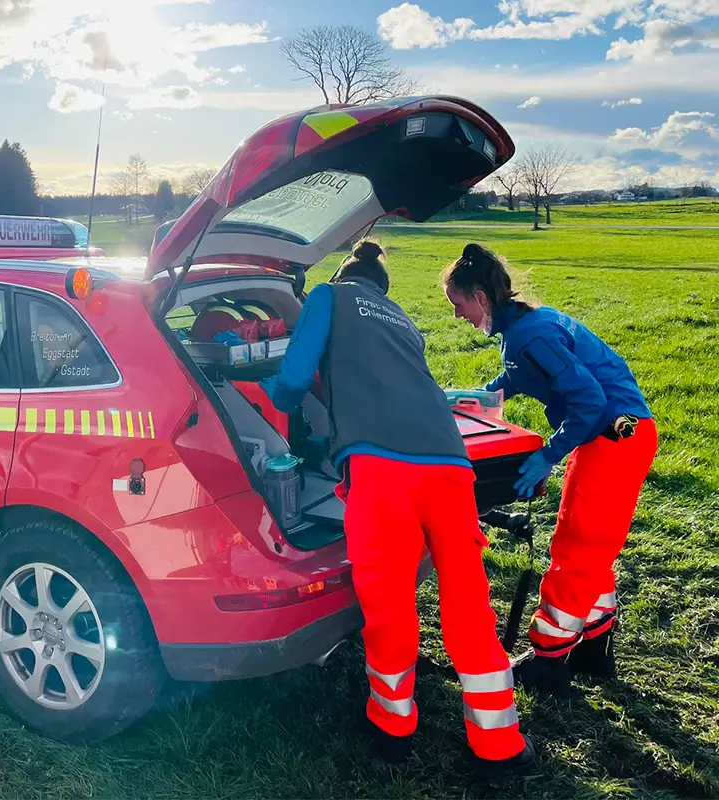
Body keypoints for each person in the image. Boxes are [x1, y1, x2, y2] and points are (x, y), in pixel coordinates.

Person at [261, 240, 535, 779]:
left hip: (381, 470)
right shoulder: (402, 319)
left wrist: (274, 396)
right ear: (383, 290)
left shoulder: (327, 297)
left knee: (388, 601)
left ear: (343, 275)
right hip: (449, 463)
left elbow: (294, 380)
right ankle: (500, 744)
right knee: (467, 599)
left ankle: (392, 728)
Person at [441, 243, 657, 693]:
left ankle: (547, 658)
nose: (458, 315)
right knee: (590, 545)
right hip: (618, 435)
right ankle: (593, 647)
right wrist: (467, 400)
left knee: (575, 548)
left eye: (458, 304)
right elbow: (515, 379)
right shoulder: (525, 325)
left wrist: (547, 454)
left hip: (614, 438)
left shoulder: (529, 334)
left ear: (480, 296)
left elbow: (591, 401)